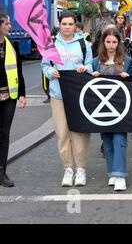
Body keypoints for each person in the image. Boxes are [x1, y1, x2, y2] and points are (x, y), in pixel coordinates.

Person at [41, 11, 93, 187]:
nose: (67, 27)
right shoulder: (51, 44)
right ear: (60, 24)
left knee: (79, 132)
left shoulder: (83, 44)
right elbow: (45, 65)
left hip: (78, 95)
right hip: (58, 95)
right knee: (62, 132)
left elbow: (90, 65)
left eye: (70, 24)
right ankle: (68, 168)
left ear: (75, 26)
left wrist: (84, 68)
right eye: (64, 24)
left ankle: (81, 169)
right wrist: (50, 72)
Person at [92, 25, 132, 191]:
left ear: (119, 42)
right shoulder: (95, 62)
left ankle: (120, 174)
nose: (110, 45)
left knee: (119, 139)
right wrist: (89, 74)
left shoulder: (127, 61)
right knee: (107, 139)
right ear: (103, 42)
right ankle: (112, 173)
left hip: (121, 107)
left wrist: (128, 77)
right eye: (107, 41)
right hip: (102, 108)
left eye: (114, 42)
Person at [0, 13, 26, 187]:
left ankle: (2, 172)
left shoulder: (11, 44)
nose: (10, 26)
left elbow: (18, 71)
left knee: (4, 134)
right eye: (7, 23)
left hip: (9, 97)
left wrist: (22, 94)